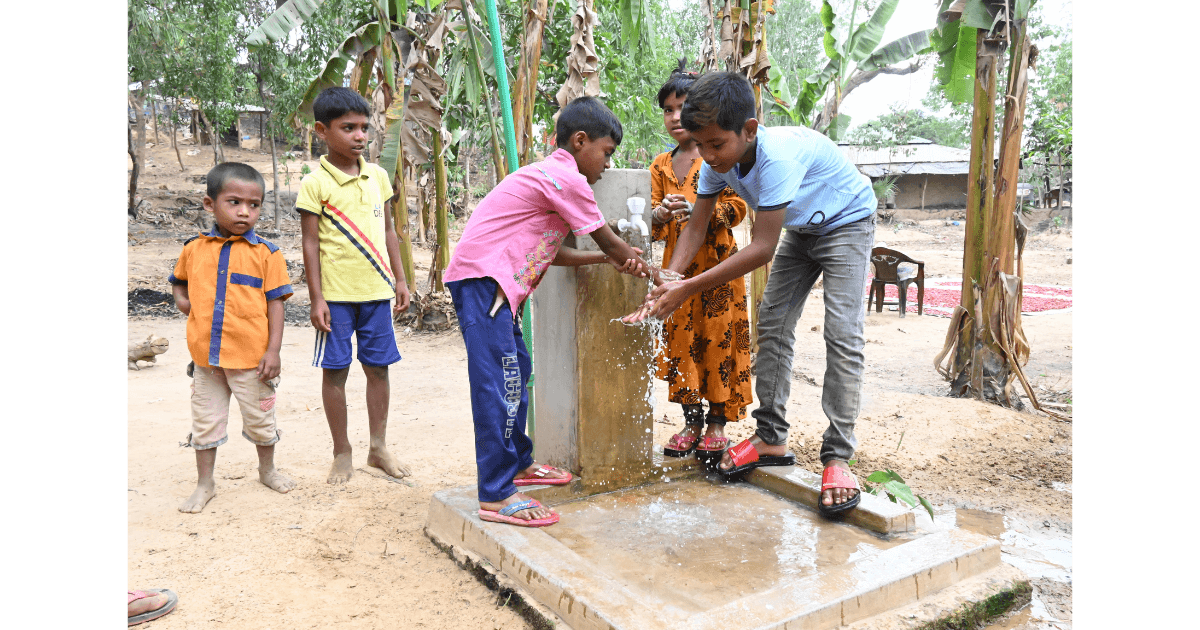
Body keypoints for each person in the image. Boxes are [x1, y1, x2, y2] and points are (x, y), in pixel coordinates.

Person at [624, 72, 876, 517]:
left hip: (846, 222)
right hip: (802, 226)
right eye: (700, 146)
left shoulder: (776, 159)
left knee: (841, 332)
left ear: (750, 130)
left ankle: (838, 457)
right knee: (774, 326)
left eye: (717, 145)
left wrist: (685, 288)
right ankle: (771, 438)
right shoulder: (713, 161)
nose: (708, 155)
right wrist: (666, 280)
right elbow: (695, 228)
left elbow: (760, 249)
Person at [443, 96, 656, 527]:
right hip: (484, 282)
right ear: (580, 141)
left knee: (516, 371)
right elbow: (606, 238)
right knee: (497, 383)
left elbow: (552, 251)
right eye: (607, 153)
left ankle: (518, 465)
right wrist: (641, 267)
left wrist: (605, 259)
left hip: (493, 284)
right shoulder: (566, 177)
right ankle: (496, 495)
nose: (607, 167)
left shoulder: (548, 178)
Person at [297, 87, 412, 485]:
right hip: (336, 299)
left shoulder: (378, 176)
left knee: (378, 369)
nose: (359, 136)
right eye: (348, 128)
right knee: (335, 372)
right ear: (321, 131)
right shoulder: (315, 182)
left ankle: (377, 447)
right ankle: (341, 450)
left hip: (377, 294)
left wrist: (399, 278)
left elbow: (388, 230)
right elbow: (309, 243)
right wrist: (316, 298)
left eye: (364, 127)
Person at [170, 162, 296, 514]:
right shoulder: (193, 249)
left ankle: (267, 470)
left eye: (253, 205)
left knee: (260, 418)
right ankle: (205, 483)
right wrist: (183, 301)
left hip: (252, 361)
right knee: (205, 422)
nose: (245, 212)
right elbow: (178, 279)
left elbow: (276, 305)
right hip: (206, 360)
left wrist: (274, 352)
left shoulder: (267, 255)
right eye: (234, 202)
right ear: (210, 204)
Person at [648, 64, 752, 464]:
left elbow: (738, 207)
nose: (675, 117)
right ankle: (691, 423)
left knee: (719, 344)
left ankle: (717, 426)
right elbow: (654, 223)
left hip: (718, 272)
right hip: (678, 270)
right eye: (667, 109)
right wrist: (660, 215)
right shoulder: (660, 165)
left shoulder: (721, 157)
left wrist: (698, 211)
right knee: (683, 346)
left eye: (681, 108)